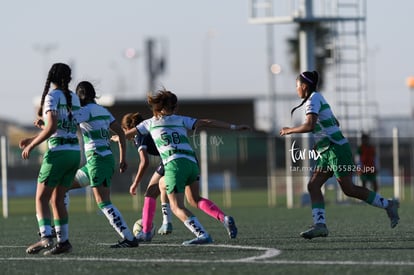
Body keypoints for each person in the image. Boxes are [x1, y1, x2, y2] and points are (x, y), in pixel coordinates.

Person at [279, 70, 400, 239]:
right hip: (328, 150)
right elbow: (335, 122)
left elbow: (310, 125)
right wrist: (320, 142)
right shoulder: (317, 98)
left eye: (297, 85)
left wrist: (290, 130)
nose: (296, 89)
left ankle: (389, 204)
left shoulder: (312, 99)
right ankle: (320, 225)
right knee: (313, 186)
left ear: (304, 86)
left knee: (348, 189)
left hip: (336, 150)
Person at [125, 88, 250, 245]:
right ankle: (223, 218)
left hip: (174, 164)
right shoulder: (181, 119)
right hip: (191, 163)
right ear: (168, 108)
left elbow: (128, 134)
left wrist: (115, 137)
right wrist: (233, 127)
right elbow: (207, 122)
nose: (176, 109)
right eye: (174, 106)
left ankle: (202, 234)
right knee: (195, 199)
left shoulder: (149, 123)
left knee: (177, 207)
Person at [19, 63, 81, 255]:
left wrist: (32, 145)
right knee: (57, 199)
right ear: (68, 78)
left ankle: (45, 237)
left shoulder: (52, 96)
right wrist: (38, 132)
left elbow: (53, 127)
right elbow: (62, 126)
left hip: (58, 153)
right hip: (74, 152)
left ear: (51, 78)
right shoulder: (75, 98)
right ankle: (64, 243)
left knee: (40, 198)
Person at [73, 81, 138, 248]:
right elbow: (122, 135)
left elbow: (66, 124)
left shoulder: (84, 111)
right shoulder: (103, 111)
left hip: (97, 161)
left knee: (103, 202)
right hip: (102, 160)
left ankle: (129, 238)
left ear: (79, 96)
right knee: (62, 185)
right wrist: (123, 159)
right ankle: (57, 231)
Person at [111, 112, 173, 242]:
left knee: (151, 193)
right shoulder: (143, 132)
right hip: (172, 158)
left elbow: (144, 162)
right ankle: (163, 224)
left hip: (170, 159)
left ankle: (148, 232)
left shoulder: (140, 135)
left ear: (127, 129)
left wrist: (135, 183)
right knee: (160, 191)